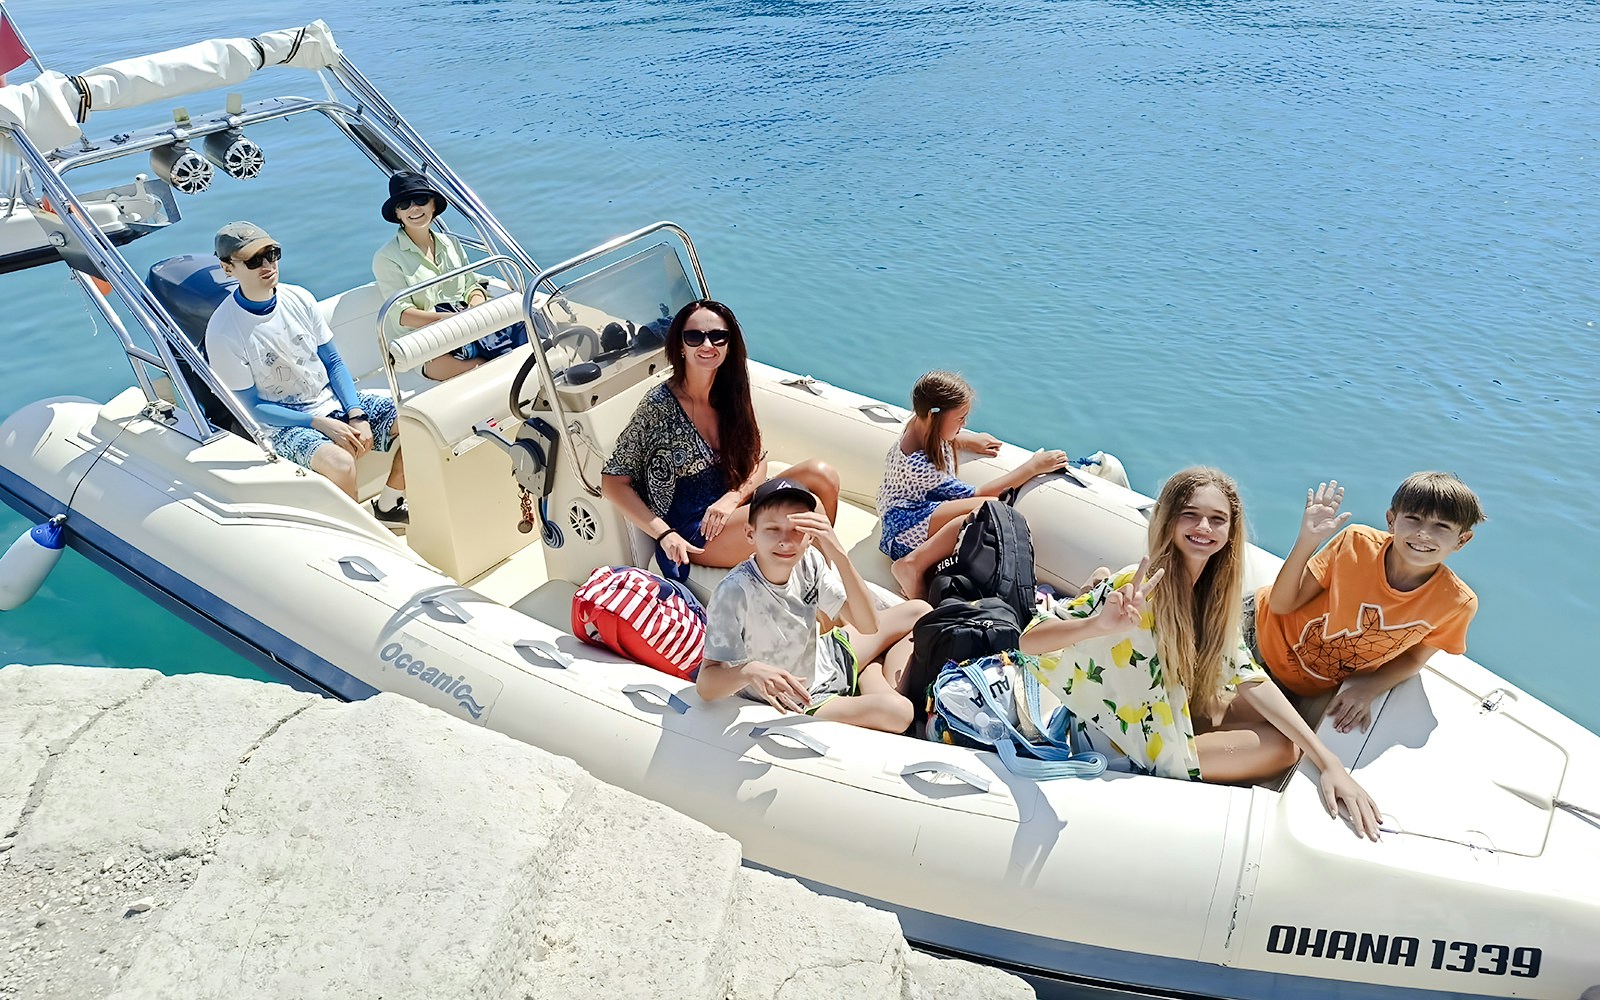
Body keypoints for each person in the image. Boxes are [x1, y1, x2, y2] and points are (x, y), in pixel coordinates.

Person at [1019, 467, 1381, 840]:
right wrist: (1098, 626)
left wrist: (1329, 762)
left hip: (1161, 708)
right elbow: (1029, 643)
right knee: (1284, 749)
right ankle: (1172, 777)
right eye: (1190, 514)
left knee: (1258, 706)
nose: (1204, 526)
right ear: (1169, 520)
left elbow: (1248, 677)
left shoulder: (1210, 596)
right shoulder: (1138, 584)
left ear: (1229, 531)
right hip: (1126, 739)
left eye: (1216, 519)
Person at [601, 299, 841, 575]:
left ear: (729, 344)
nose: (707, 345)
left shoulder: (731, 393)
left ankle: (820, 578)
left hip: (734, 504)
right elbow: (613, 482)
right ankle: (833, 597)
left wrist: (732, 499)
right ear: (680, 346)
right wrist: (664, 534)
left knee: (822, 474)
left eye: (717, 336)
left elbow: (758, 459)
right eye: (694, 337)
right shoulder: (658, 406)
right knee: (803, 509)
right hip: (696, 530)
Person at [1247, 473, 1481, 735]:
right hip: (1256, 634)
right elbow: (1281, 605)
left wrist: (1368, 689)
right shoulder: (1356, 543)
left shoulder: (1456, 603)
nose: (1423, 533)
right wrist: (1307, 541)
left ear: (1462, 540)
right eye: (1413, 519)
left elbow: (1415, 657)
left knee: (1288, 746)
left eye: (1441, 526)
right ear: (1391, 520)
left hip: (1314, 686)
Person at [205, 222, 408, 524]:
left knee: (415, 421)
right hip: (281, 425)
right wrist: (318, 423)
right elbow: (251, 409)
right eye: (253, 260)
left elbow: (334, 362)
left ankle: (389, 504)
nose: (267, 265)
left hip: (330, 403)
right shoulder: (223, 331)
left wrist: (355, 413)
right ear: (227, 268)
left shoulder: (299, 297)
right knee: (341, 464)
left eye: (272, 254)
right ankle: (359, 537)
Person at [696, 478, 927, 733]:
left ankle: (868, 672)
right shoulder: (735, 592)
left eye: (797, 529)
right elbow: (706, 684)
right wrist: (747, 672)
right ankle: (871, 675)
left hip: (825, 657)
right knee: (900, 712)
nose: (786, 541)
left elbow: (868, 625)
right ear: (751, 534)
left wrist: (839, 554)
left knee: (920, 612)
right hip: (803, 698)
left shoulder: (810, 561)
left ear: (809, 535)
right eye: (773, 529)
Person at [878, 370, 1070, 599]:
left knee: (985, 508)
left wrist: (967, 440)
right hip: (903, 528)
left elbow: (937, 436)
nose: (965, 423)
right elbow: (980, 494)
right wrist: (1033, 467)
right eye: (960, 419)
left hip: (906, 511)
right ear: (934, 416)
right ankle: (912, 564)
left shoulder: (919, 424)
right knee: (988, 507)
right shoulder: (919, 465)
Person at [371, 171, 527, 382]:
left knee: (527, 332)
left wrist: (475, 309)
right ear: (397, 214)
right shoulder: (386, 258)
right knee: (483, 369)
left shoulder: (451, 243)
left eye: (421, 200)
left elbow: (471, 286)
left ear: (433, 205)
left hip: (470, 325)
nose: (414, 208)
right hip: (426, 341)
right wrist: (453, 322)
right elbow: (402, 314)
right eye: (404, 204)